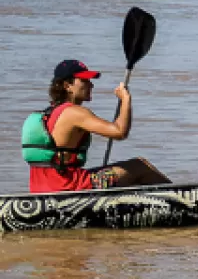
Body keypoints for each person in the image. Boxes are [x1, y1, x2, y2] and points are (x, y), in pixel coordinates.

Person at [23, 60, 171, 194]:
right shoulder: (74, 112)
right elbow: (119, 132)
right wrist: (126, 99)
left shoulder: (49, 114)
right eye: (84, 80)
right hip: (69, 186)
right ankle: (182, 201)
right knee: (140, 166)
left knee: (124, 176)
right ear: (67, 85)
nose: (91, 84)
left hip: (40, 190)